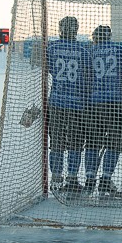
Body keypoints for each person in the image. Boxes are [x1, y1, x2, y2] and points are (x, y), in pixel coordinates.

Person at [46, 16, 92, 196]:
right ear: (76, 29)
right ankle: (72, 178)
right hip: (76, 103)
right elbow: (88, 76)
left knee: (56, 141)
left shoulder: (52, 47)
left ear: (60, 29)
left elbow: (49, 69)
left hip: (57, 101)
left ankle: (56, 177)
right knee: (75, 142)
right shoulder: (83, 49)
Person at [83, 25, 122, 197]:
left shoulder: (89, 52)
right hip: (115, 103)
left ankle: (89, 180)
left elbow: (85, 77)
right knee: (114, 143)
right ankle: (106, 180)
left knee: (93, 143)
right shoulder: (119, 50)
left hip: (94, 103)